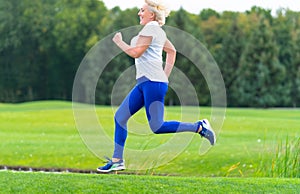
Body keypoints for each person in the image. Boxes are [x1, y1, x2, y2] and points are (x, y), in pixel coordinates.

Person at [97, 0, 216, 173]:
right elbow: (171, 51)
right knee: (120, 117)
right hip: (146, 82)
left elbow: (136, 53)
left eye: (142, 10)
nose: (139, 13)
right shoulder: (155, 31)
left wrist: (119, 42)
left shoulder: (152, 29)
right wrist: (164, 76)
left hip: (152, 83)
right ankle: (117, 161)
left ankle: (199, 126)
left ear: (152, 14)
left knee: (157, 126)